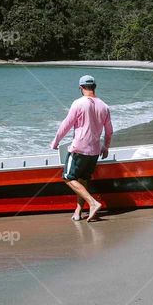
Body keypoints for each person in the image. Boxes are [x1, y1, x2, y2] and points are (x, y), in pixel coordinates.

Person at [50, 74, 114, 222]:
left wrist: (56, 141)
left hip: (79, 149)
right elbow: (109, 131)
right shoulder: (104, 106)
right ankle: (78, 211)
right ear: (95, 87)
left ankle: (93, 203)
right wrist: (106, 147)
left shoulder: (78, 103)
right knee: (82, 180)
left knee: (68, 177)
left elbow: (66, 125)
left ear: (81, 88)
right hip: (95, 151)